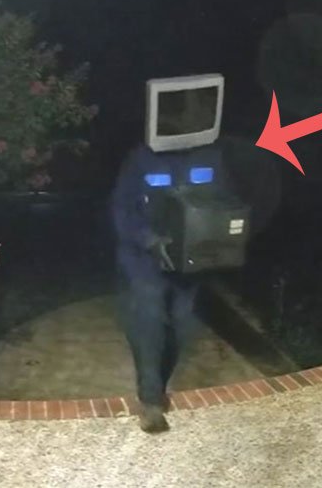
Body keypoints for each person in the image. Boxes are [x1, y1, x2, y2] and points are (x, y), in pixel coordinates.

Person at [109, 86, 229, 433]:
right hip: (144, 260)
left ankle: (160, 379)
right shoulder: (141, 159)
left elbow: (220, 201)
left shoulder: (212, 157)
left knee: (183, 323)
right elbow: (121, 210)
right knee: (150, 320)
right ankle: (150, 399)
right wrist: (148, 239)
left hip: (188, 263)